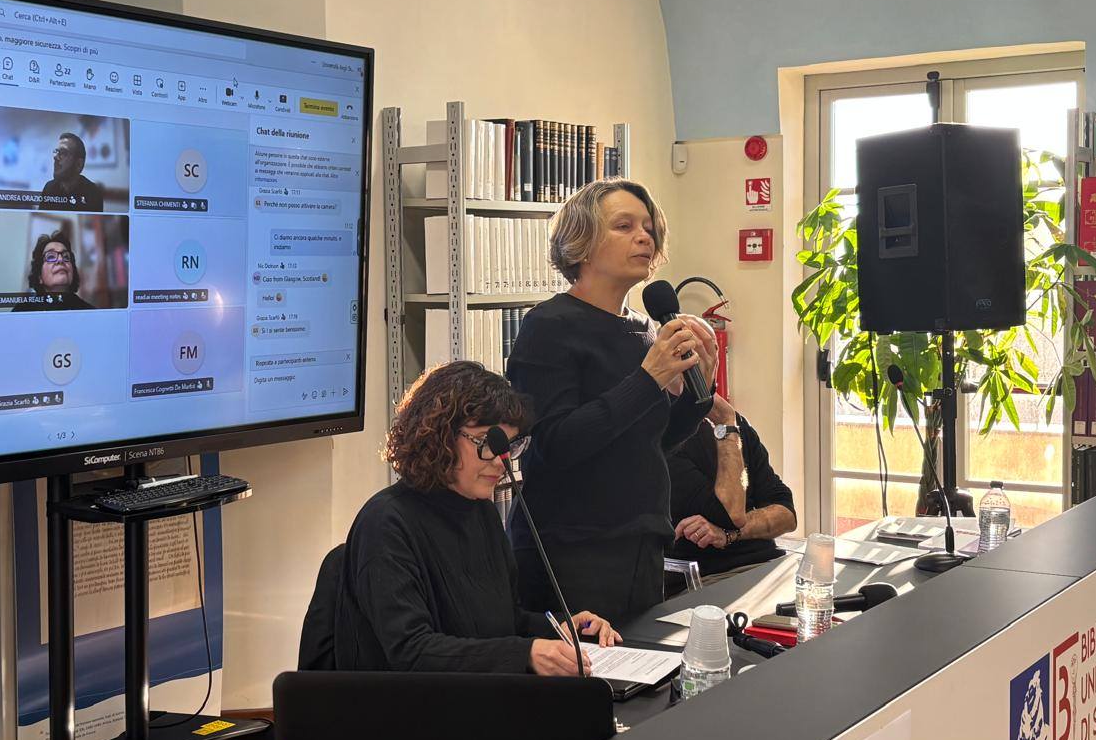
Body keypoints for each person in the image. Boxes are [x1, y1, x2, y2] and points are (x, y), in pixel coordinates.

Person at [506, 180, 717, 624]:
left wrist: (701, 392)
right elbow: (556, 443)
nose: (644, 237)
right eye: (624, 226)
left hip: (641, 543)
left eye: (648, 228)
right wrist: (648, 378)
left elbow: (651, 443)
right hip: (572, 549)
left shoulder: (643, 328)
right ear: (581, 242)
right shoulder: (549, 326)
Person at [333, 361, 620, 674]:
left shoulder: (481, 510)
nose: (500, 461)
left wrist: (560, 629)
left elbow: (505, 623)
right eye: (486, 443)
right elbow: (411, 651)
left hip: (480, 693)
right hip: (411, 701)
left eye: (508, 446)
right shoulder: (386, 523)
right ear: (439, 436)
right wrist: (525, 654)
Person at [669, 395, 797, 581]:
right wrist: (726, 425)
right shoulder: (668, 434)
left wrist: (729, 534)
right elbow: (732, 515)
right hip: (711, 577)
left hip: (767, 564)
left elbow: (787, 515)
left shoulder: (738, 425)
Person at [20, 229, 94, 310]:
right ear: (39, 276)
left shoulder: (90, 312)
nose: (60, 260)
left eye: (66, 257)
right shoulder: (22, 311)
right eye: (51, 257)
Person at [40, 132, 104, 211]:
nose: (56, 157)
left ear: (78, 164)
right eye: (56, 152)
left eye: (63, 153)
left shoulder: (93, 193)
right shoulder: (49, 188)